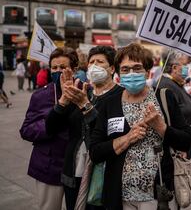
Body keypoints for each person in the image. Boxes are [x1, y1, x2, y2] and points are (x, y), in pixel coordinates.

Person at [89, 43, 167, 210]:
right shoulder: (109, 103)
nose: (131, 73)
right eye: (125, 69)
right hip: (120, 194)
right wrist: (127, 138)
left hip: (158, 194)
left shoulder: (163, 97)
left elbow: (185, 141)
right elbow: (95, 152)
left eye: (137, 68)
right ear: (117, 74)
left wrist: (161, 127)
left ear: (147, 71)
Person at [45, 46, 121, 210]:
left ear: (112, 68)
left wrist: (85, 105)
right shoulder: (82, 91)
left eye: (100, 62)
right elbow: (50, 127)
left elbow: (107, 134)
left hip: (103, 173)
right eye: (91, 62)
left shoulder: (121, 95)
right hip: (75, 169)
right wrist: (64, 100)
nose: (94, 66)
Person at [20, 47, 79, 210]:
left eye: (63, 67)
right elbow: (26, 130)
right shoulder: (40, 95)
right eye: (54, 68)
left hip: (77, 166)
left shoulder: (84, 91)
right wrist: (49, 124)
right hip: (49, 165)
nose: (58, 71)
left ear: (74, 70)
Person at [155, 50, 191, 209]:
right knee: (182, 197)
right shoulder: (167, 87)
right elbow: (170, 120)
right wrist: (179, 145)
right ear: (174, 67)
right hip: (178, 153)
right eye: (185, 65)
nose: (187, 68)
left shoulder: (176, 84)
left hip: (186, 149)